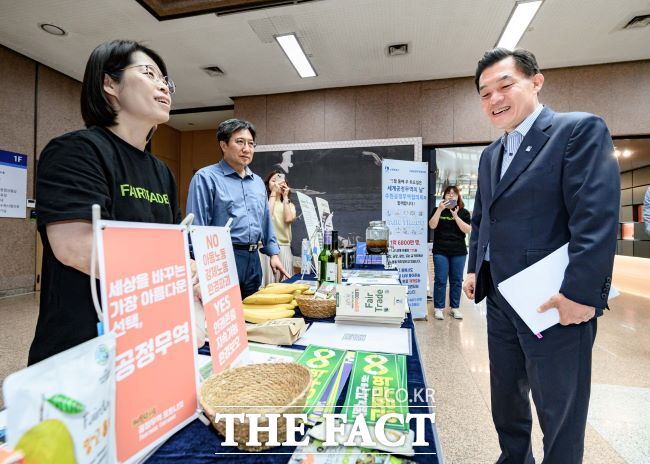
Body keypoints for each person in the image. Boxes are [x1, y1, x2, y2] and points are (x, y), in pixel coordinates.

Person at [463, 48, 619, 463]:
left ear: (536, 82)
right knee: (506, 400)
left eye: (504, 85)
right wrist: (474, 268)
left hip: (553, 302)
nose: (494, 99)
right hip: (499, 299)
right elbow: (483, 219)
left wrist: (582, 295)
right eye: (484, 93)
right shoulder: (489, 155)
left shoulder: (577, 131)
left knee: (559, 411)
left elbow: (595, 217)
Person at [29, 40, 182, 365]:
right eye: (149, 73)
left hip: (146, 340)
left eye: (165, 81)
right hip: (82, 349)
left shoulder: (162, 172)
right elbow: (76, 248)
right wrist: (175, 267)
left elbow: (175, 244)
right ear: (109, 83)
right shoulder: (76, 151)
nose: (163, 86)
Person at [186, 119, 290, 298]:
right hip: (221, 258)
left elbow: (265, 220)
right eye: (240, 142)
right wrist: (198, 263)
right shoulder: (206, 177)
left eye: (251, 143)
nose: (247, 149)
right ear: (224, 145)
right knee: (223, 316)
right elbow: (196, 226)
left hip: (253, 260)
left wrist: (273, 254)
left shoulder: (257, 182)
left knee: (250, 314)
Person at [428, 186, 471, 320]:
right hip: (441, 250)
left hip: (458, 251)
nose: (451, 196)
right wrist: (440, 209)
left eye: (454, 194)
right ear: (444, 196)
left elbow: (467, 230)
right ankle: (438, 308)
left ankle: (455, 308)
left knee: (456, 280)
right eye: (448, 193)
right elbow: (432, 225)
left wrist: (455, 215)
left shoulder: (463, 212)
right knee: (440, 280)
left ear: (458, 197)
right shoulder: (437, 210)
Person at [260, 170, 296, 285]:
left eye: (280, 181)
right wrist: (273, 194)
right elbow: (267, 217)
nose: (276, 184)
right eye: (273, 181)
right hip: (265, 248)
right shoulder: (262, 202)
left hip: (284, 247)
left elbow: (288, 219)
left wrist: (285, 197)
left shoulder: (290, 204)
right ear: (268, 184)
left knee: (285, 283)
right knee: (267, 284)